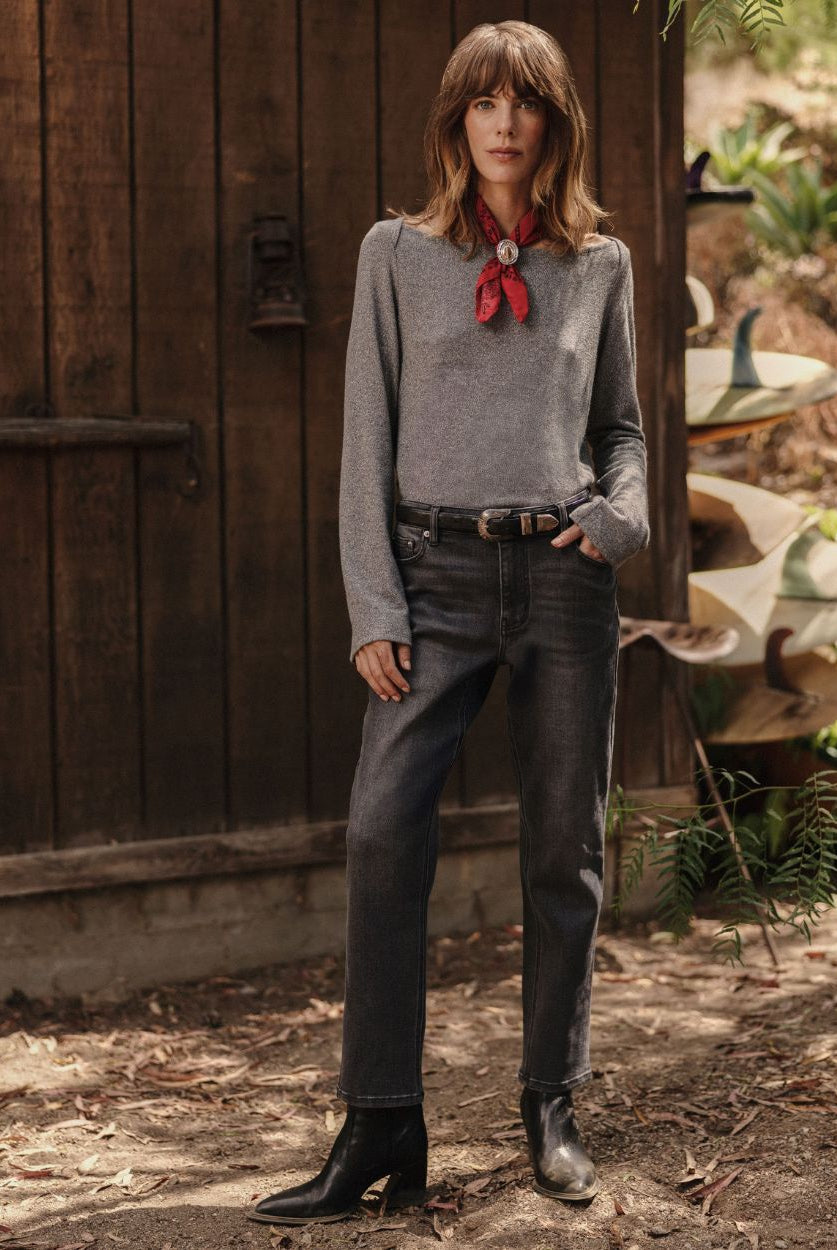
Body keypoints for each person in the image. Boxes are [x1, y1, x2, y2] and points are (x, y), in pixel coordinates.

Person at [250, 18, 649, 1227]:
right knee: (383, 831)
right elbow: (364, 436)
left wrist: (622, 516)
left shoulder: (601, 263)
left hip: (565, 575)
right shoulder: (396, 253)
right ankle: (381, 1119)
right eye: (484, 101)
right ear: (456, 121)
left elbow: (621, 428)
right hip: (435, 576)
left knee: (564, 844)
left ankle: (551, 1102)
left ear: (554, 123)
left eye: (525, 102)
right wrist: (374, 601)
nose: (504, 122)